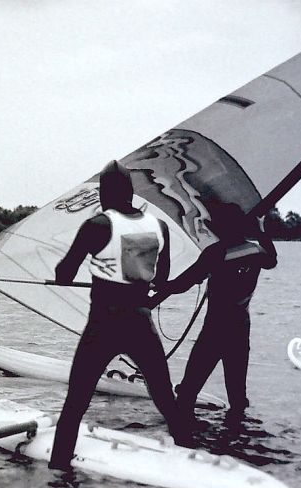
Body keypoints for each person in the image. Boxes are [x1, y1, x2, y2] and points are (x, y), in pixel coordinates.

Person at [48, 160, 191, 470]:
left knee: (76, 404)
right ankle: (192, 450)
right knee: (165, 398)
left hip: (103, 324)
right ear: (130, 192)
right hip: (140, 322)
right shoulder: (159, 226)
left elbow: (64, 273)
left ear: (104, 193)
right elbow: (161, 280)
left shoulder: (98, 225)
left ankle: (59, 471)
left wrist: (80, 269)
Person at [159, 200, 277, 427]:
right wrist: (262, 231)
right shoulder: (255, 250)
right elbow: (272, 260)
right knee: (236, 393)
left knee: (189, 388)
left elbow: (183, 283)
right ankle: (235, 436)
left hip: (215, 329)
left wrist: (159, 286)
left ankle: (182, 433)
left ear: (220, 228)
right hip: (240, 329)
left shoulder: (216, 253)